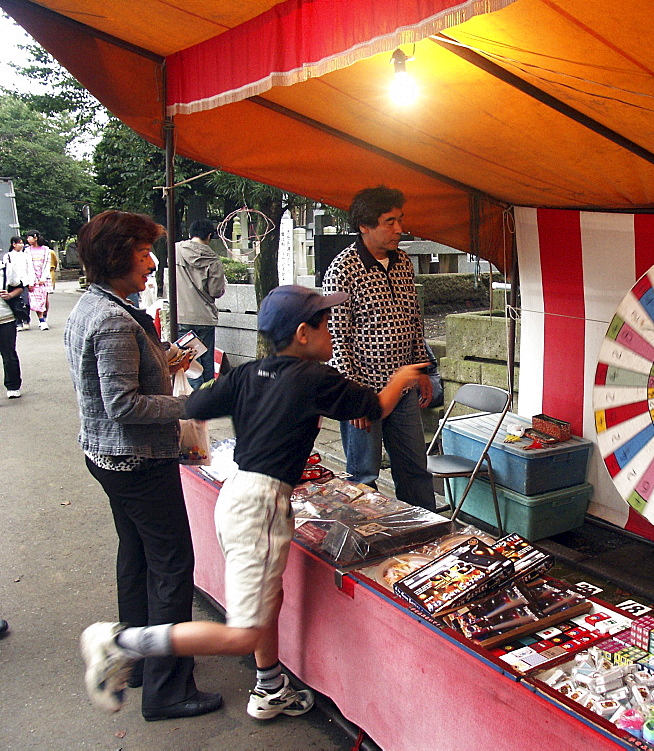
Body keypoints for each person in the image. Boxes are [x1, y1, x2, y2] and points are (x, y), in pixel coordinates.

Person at [78, 284, 427, 720]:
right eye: (327, 324)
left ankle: (270, 687)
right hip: (259, 506)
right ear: (303, 333)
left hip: (239, 496)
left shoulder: (247, 373)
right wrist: (400, 378)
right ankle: (119, 643)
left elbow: (196, 404)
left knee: (269, 599)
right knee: (242, 634)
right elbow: (374, 407)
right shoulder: (316, 378)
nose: (334, 332)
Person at [65, 211, 222, 722]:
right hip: (134, 460)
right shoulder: (111, 317)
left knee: (135, 555)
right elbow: (123, 404)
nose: (152, 263)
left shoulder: (97, 306)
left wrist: (164, 363)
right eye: (142, 253)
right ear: (117, 258)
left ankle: (130, 655)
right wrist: (193, 405)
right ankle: (168, 689)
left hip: (108, 456)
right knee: (173, 566)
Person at [322, 186, 436, 510]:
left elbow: (414, 321)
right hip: (364, 395)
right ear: (365, 226)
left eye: (400, 220)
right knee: (363, 477)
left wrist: (420, 371)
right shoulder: (342, 269)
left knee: (415, 470)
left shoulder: (403, 263)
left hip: (404, 391)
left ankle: (426, 537)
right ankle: (368, 546)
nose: (399, 229)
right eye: (389, 222)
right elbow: (337, 340)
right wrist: (354, 398)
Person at [174, 219, 226, 388]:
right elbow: (216, 292)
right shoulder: (213, 260)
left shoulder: (176, 250)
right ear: (209, 236)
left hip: (181, 315)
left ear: (190, 233)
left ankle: (192, 400)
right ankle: (207, 400)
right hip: (204, 317)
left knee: (187, 361)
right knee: (206, 361)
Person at [0, 248, 25, 398]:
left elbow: (20, 287)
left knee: (8, 354)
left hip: (5, 318)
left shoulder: (5, 268)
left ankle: (13, 385)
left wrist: (9, 295)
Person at [25, 230, 54, 330]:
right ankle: (41, 320)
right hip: (33, 279)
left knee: (44, 299)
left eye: (30, 237)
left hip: (44, 278)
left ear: (35, 237)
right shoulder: (27, 250)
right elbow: (27, 266)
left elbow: (47, 264)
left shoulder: (46, 250)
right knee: (36, 299)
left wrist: (43, 278)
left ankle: (44, 317)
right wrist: (30, 280)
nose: (28, 239)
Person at [4, 236, 33, 330]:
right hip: (12, 284)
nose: (21, 245)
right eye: (19, 243)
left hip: (24, 282)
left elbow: (30, 269)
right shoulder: (8, 256)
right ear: (14, 244)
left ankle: (26, 320)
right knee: (15, 303)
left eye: (22, 243)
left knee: (25, 302)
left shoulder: (25, 255)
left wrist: (31, 281)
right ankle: (18, 322)